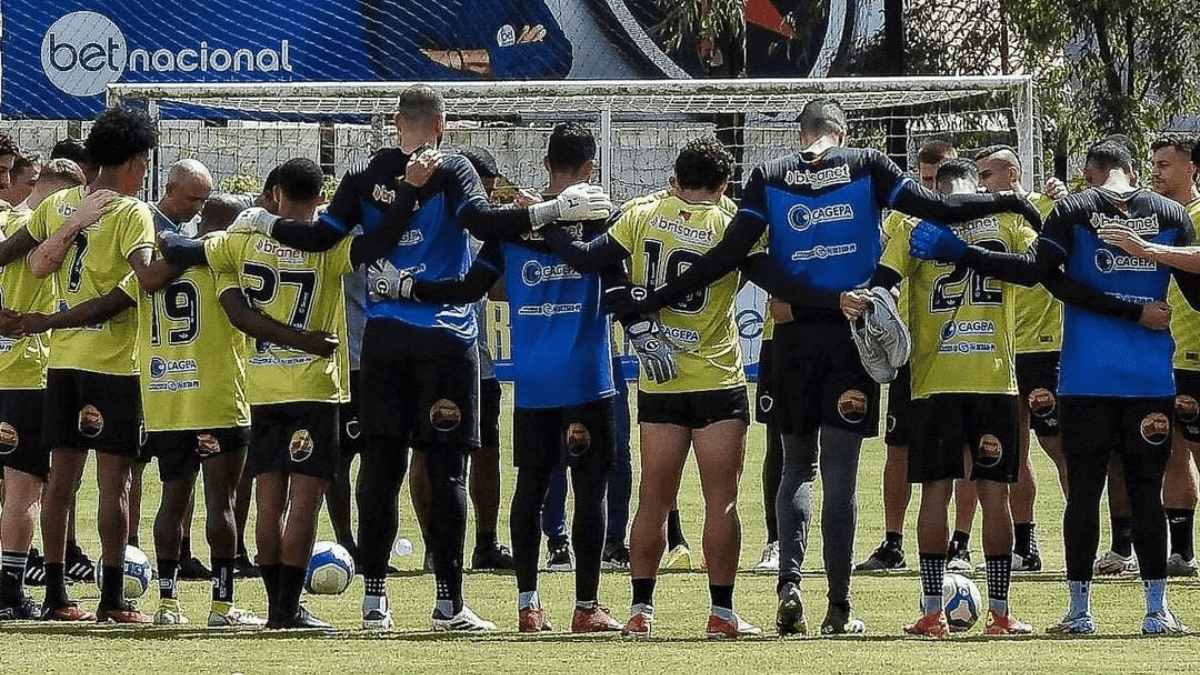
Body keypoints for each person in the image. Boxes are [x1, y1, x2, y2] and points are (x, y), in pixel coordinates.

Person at [614, 98, 1041, 636]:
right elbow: (940, 208)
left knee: (796, 467)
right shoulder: (869, 165)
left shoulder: (768, 176)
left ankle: (789, 584)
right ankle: (838, 607)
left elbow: (733, 256)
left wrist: (655, 301)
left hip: (791, 338)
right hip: (853, 335)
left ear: (801, 133)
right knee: (841, 475)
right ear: (844, 131)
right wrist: (1014, 203)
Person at [233, 84, 610, 631]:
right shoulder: (454, 169)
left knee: (381, 468)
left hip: (383, 340)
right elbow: (482, 224)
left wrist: (264, 222)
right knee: (446, 470)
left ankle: (375, 602)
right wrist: (550, 210)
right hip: (445, 339)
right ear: (440, 123)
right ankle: (448, 604)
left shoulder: (363, 176)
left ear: (395, 121)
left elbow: (320, 239)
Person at [912, 139, 1200, 635]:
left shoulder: (1074, 209)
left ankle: (1079, 611)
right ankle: (1157, 611)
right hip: (1150, 376)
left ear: (1090, 174)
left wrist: (961, 253)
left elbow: (1036, 274)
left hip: (1086, 376)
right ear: (1131, 170)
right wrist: (1148, 272)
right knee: (1145, 491)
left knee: (1083, 493)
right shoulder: (1171, 213)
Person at [391, 122, 623, 633]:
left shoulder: (513, 227)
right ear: (590, 168)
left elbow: (468, 287)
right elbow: (620, 284)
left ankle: (528, 605)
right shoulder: (603, 219)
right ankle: (586, 606)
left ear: (545, 164)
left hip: (533, 380)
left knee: (530, 488)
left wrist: (409, 288)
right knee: (590, 490)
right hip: (588, 376)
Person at [161, 157, 412, 628]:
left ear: (275, 194)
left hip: (261, 387)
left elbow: (177, 247)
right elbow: (382, 241)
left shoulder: (240, 240)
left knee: (269, 499)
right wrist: (404, 195)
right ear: (321, 198)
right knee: (305, 502)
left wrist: (249, 223)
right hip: (314, 388)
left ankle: (278, 605)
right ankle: (286, 608)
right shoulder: (329, 245)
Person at [542, 138, 763, 639]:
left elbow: (591, 258)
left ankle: (640, 611)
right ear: (725, 184)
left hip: (659, 379)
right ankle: (721, 614)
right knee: (721, 500)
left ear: (675, 177)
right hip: (716, 375)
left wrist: (544, 221)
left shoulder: (643, 212)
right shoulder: (734, 220)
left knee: (653, 499)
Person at [0, 107, 178, 623]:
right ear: (136, 161)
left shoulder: (59, 204)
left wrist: (38, 318)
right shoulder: (132, 212)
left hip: (60, 362)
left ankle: (56, 595)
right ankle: (112, 598)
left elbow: (12, 253)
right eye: (145, 163)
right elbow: (140, 281)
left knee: (60, 481)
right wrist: (187, 257)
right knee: (113, 483)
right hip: (113, 364)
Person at [872, 158, 1033, 637]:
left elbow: (881, 285)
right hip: (993, 378)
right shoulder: (1005, 224)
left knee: (936, 492)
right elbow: (1040, 263)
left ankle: (931, 612)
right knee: (993, 494)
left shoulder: (915, 225)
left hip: (935, 381)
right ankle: (1000, 615)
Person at [0, 159, 100, 620]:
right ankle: (9, 593)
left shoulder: (6, 221)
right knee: (25, 489)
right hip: (27, 372)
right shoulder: (48, 232)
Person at [857, 139, 958, 573]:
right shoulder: (901, 221)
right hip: (910, 354)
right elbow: (882, 279)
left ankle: (961, 543)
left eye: (938, 179)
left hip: (961, 354)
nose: (930, 187)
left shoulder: (974, 219)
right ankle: (893, 542)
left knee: (963, 452)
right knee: (898, 447)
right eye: (925, 179)